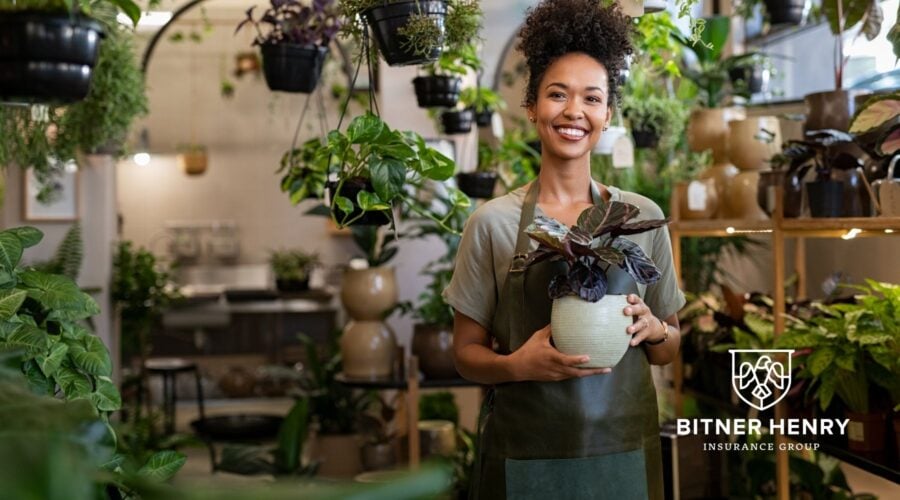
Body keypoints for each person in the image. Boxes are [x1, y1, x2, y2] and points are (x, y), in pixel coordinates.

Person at [441, 1, 686, 498]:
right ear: (532, 106)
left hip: (623, 454)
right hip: (527, 457)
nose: (574, 111)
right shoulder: (492, 223)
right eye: (558, 94)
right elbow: (465, 355)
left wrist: (655, 329)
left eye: (592, 98)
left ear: (607, 114)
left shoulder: (640, 216)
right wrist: (517, 366)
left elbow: (668, 350)